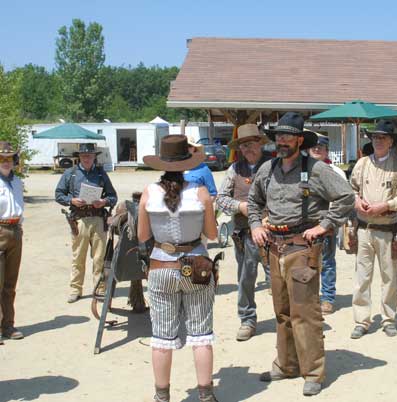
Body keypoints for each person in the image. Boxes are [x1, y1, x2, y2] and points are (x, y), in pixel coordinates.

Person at [248, 112, 354, 396]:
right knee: (282, 312)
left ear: (299, 140)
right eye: (278, 136)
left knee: (305, 313)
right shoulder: (267, 169)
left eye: (287, 136)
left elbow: (346, 197)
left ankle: (314, 372)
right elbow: (254, 201)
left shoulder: (317, 170)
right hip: (274, 247)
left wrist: (325, 225)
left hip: (302, 248)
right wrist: (256, 225)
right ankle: (286, 364)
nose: (281, 141)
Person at [138, 135, 219, 402]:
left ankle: (162, 396)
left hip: (161, 266)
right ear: (187, 163)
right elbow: (212, 233)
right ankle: (205, 394)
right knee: (201, 333)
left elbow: (141, 236)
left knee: (161, 336)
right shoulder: (200, 192)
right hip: (196, 266)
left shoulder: (149, 192)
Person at [349, 120, 397, 339]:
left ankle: (388, 318)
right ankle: (361, 320)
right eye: (375, 137)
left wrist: (386, 206)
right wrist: (357, 201)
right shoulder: (362, 163)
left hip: (388, 229)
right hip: (364, 228)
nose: (378, 141)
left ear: (391, 141)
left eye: (382, 138)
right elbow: (351, 190)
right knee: (362, 277)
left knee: (389, 276)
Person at [215, 123, 271, 341]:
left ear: (260, 143)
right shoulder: (234, 169)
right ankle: (247, 319)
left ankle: (285, 320)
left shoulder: (274, 165)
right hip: (244, 233)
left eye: (251, 144)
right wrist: (240, 207)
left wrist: (271, 217)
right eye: (243, 146)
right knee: (246, 279)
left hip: (272, 233)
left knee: (279, 279)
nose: (247, 149)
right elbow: (220, 199)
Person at [55, 143, 117, 303]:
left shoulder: (101, 174)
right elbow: (59, 194)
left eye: (90, 155)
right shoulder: (71, 173)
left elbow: (113, 196)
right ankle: (76, 289)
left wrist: (103, 202)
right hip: (79, 219)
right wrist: (72, 200)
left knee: (100, 258)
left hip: (98, 218)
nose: (87, 158)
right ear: (79, 157)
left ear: (94, 157)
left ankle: (100, 289)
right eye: (84, 156)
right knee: (78, 257)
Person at [307, 132, 347, 315]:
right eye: (314, 146)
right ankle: (310, 297)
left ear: (327, 151)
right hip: (306, 224)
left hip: (328, 224)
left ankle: (328, 298)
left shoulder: (336, 172)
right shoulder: (303, 171)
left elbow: (345, 200)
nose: (316, 149)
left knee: (328, 262)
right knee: (307, 262)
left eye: (320, 147)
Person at [0, 141, 25, 343]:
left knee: (10, 284)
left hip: (15, 230)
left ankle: (8, 325)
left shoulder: (17, 182)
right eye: (2, 158)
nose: (6, 162)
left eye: (9, 158)